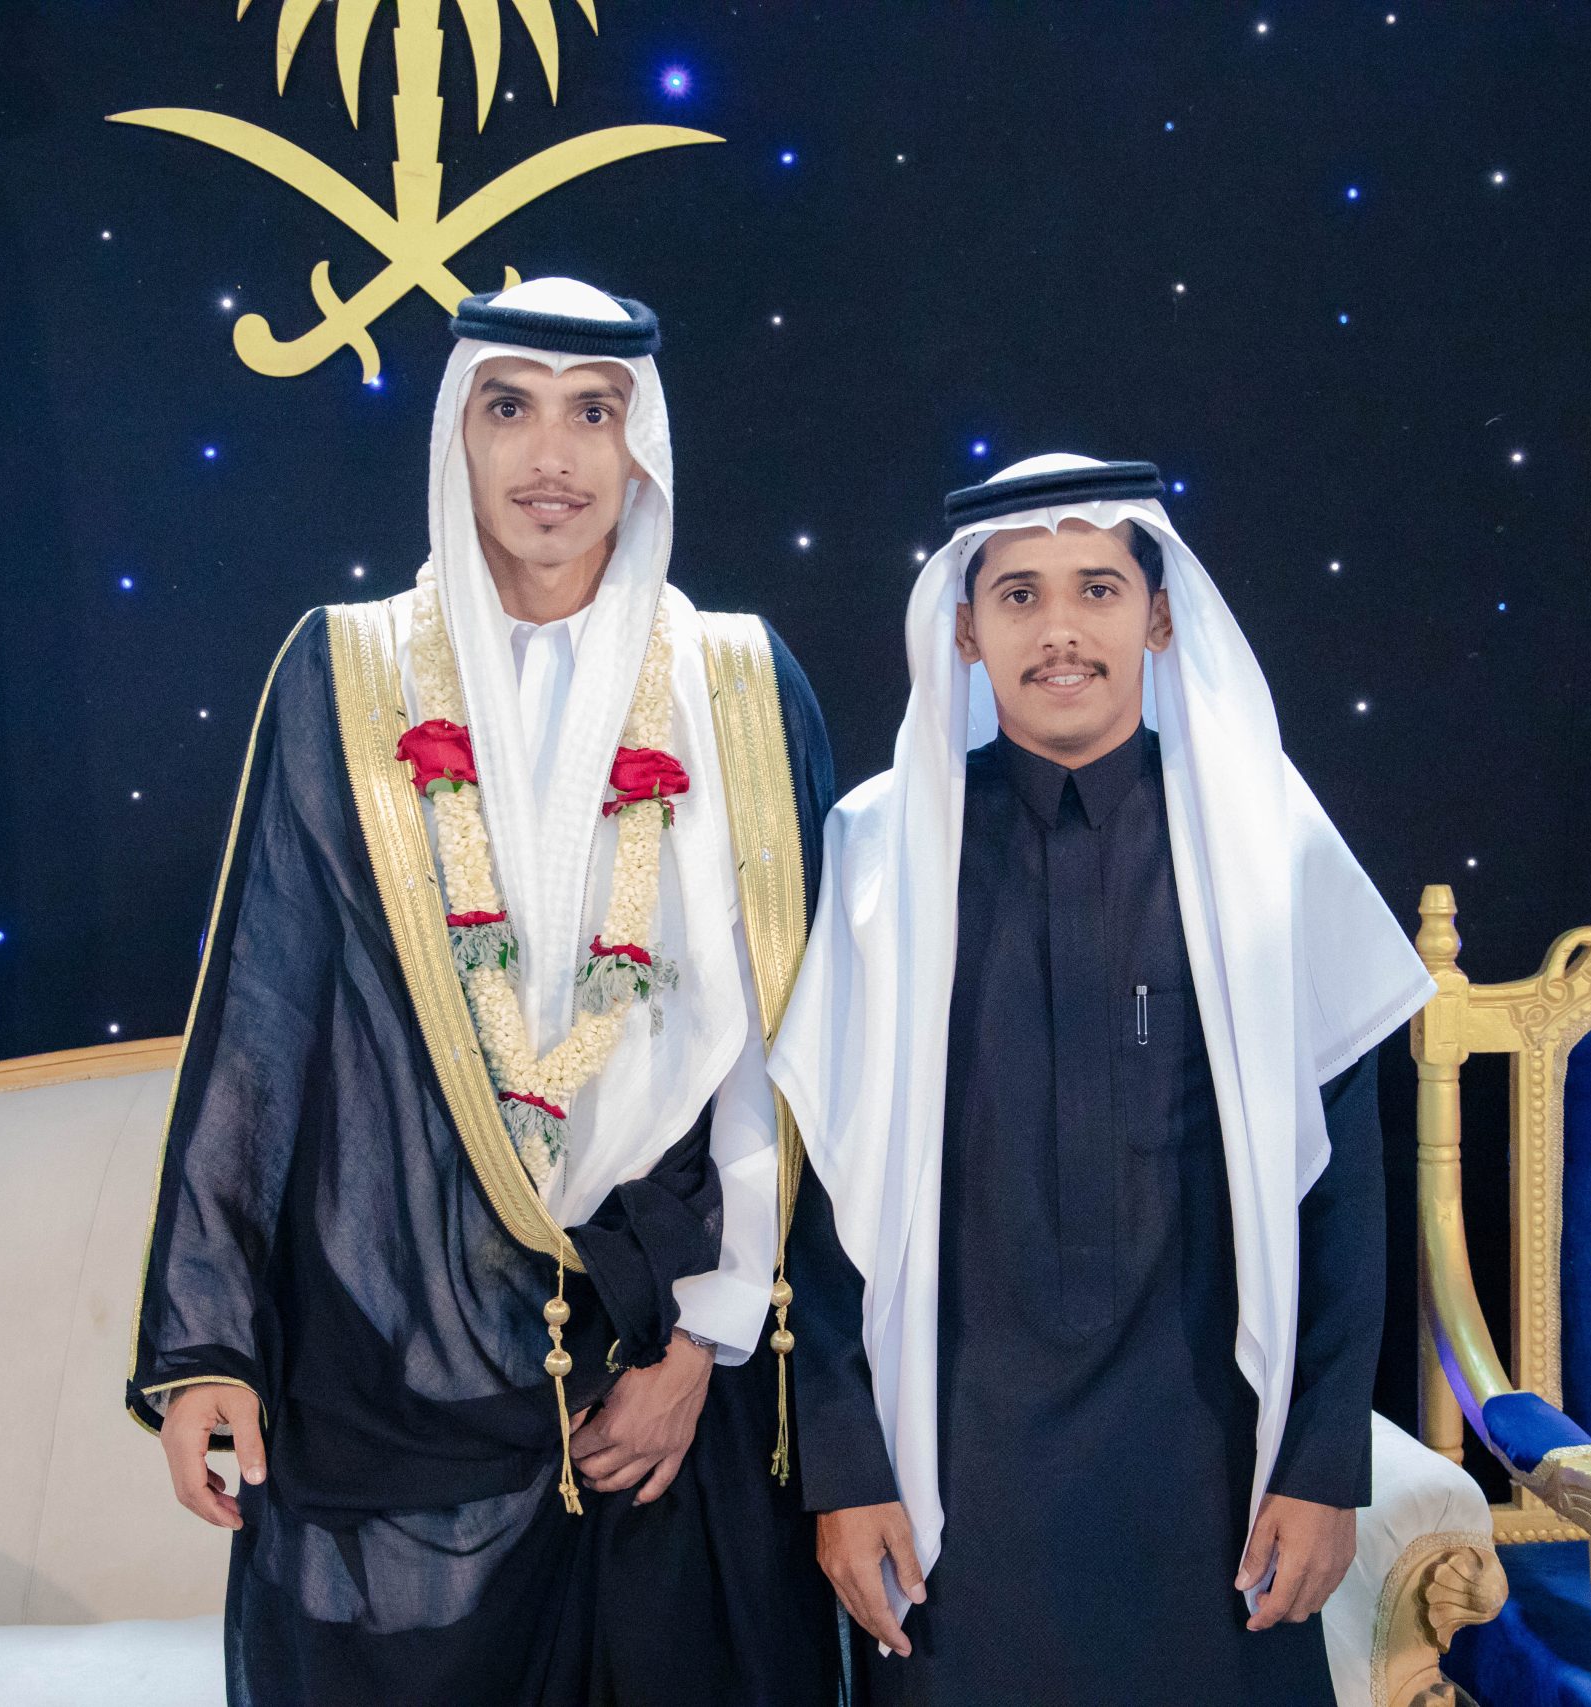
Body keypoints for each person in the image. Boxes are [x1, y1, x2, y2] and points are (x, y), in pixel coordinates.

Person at [129, 277, 837, 1707]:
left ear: (644, 447)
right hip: (394, 1334)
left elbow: (790, 1047)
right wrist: (209, 1340)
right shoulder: (348, 673)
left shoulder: (738, 684)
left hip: (667, 1341)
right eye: (510, 409)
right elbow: (264, 1015)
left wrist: (706, 1338)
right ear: (458, 432)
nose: (552, 458)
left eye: (595, 413)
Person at [771, 454, 1433, 1705]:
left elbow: (1342, 1192)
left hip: (1214, 1467)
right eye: (1018, 595)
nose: (1060, 630)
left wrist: (1320, 1464)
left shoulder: (1267, 841)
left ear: (1160, 616)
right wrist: (847, 1470)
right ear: (964, 630)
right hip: (959, 1468)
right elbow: (823, 1200)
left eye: (1097, 588)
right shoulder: (877, 852)